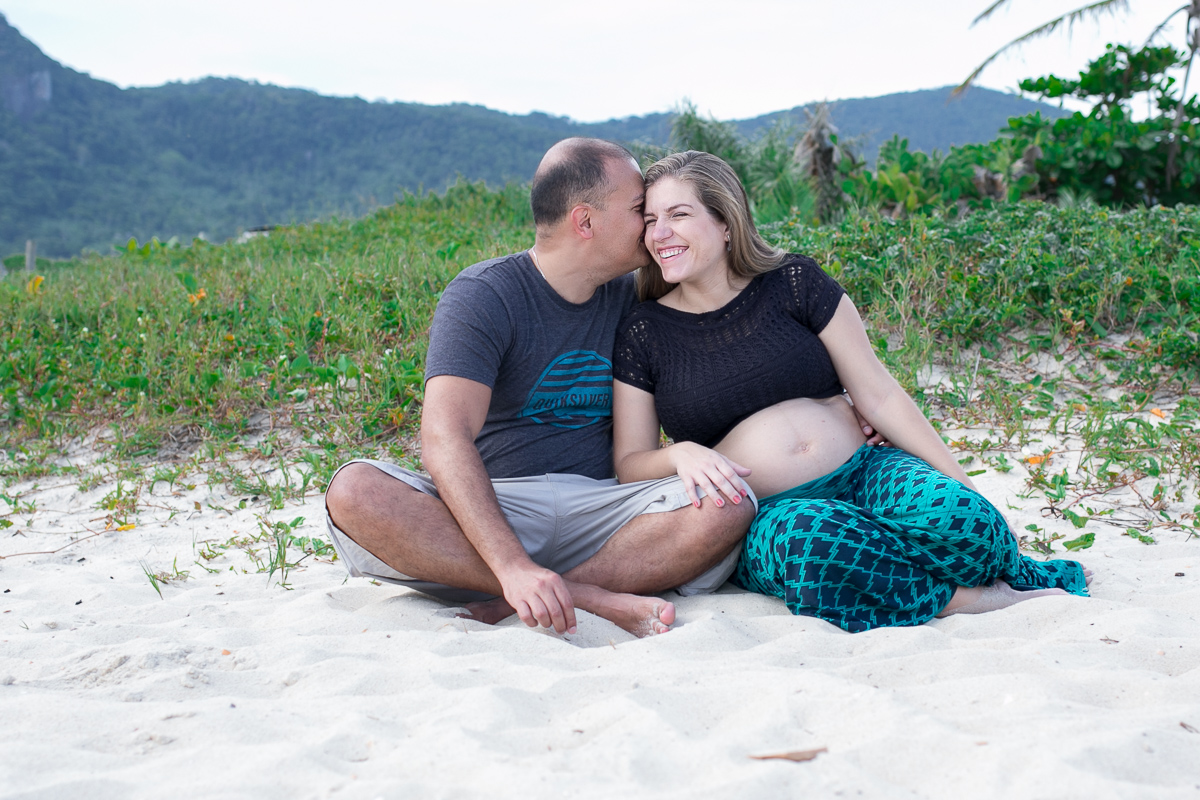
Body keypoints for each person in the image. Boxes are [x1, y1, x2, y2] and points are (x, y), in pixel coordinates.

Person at [611, 150, 1089, 634]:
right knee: (815, 549)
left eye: (678, 215)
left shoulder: (794, 282)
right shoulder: (645, 332)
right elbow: (630, 463)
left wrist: (967, 484)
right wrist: (682, 454)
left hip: (866, 469)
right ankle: (961, 599)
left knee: (967, 522)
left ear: (726, 221)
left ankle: (936, 570)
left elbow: (879, 394)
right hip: (769, 511)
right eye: (650, 220)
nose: (659, 234)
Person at [323, 139, 754, 638]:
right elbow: (445, 436)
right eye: (640, 210)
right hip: (498, 509)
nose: (653, 226)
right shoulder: (485, 294)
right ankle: (577, 596)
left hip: (606, 514)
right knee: (354, 490)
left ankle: (539, 593)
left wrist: (830, 398)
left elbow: (730, 347)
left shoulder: (635, 294)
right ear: (585, 221)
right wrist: (511, 566)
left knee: (731, 502)